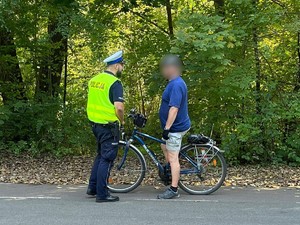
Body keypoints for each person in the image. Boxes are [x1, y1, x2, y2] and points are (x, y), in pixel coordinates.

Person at [86, 50, 125, 203]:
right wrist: (122, 121)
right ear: (116, 65)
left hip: (95, 124)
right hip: (108, 125)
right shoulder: (114, 83)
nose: (122, 68)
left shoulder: (94, 80)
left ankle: (93, 187)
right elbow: (119, 108)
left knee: (100, 155)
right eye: (122, 65)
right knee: (107, 158)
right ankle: (102, 194)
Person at [157, 54, 191, 199]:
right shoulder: (173, 82)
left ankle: (174, 189)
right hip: (174, 126)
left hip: (175, 128)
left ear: (172, 68)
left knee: (173, 157)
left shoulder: (177, 84)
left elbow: (174, 109)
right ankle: (169, 173)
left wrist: (167, 129)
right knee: (164, 146)